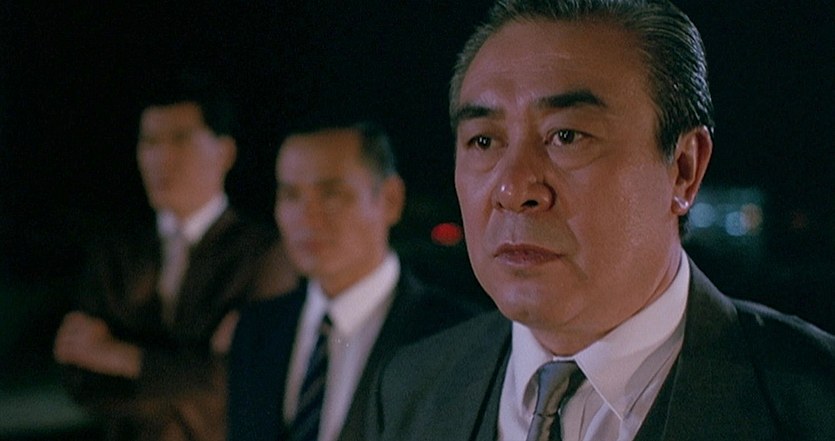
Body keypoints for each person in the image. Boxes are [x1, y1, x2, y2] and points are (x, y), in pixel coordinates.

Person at [371, 1, 835, 440]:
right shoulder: (410, 389)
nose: (512, 189)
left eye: (566, 136)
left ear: (683, 169)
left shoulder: (812, 402)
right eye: (484, 142)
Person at [53, 73, 297, 441]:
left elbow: (241, 384)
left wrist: (117, 355)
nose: (161, 158)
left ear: (224, 153)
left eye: (180, 140)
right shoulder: (117, 253)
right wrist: (194, 372)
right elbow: (81, 380)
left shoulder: (263, 253)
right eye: (149, 142)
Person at [227, 120, 483, 441]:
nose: (307, 217)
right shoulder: (257, 331)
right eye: (291, 195)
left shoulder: (456, 335)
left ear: (390, 199)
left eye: (331, 194)